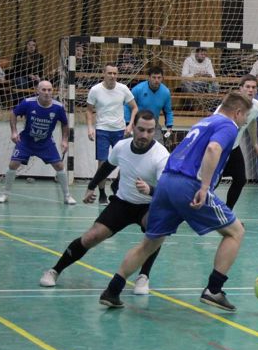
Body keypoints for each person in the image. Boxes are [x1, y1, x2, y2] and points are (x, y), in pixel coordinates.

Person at [98, 91, 252, 311]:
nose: (245, 120)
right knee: (236, 232)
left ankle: (112, 290)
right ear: (237, 112)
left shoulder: (205, 122)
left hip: (167, 182)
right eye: (245, 115)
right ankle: (214, 289)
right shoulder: (228, 125)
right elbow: (213, 148)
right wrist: (204, 187)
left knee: (149, 244)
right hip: (188, 184)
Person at [40, 110, 169, 292]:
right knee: (91, 237)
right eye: (141, 129)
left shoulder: (161, 155)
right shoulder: (121, 147)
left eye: (150, 131)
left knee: (156, 232)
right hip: (122, 203)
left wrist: (151, 190)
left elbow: (166, 190)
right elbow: (108, 166)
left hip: (148, 205)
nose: (145, 135)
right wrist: (91, 186)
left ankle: (143, 276)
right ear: (133, 127)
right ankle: (54, 271)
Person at [0, 80, 77, 205]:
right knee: (13, 164)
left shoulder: (58, 107)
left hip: (46, 142)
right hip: (26, 141)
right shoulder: (28, 103)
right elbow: (13, 113)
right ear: (37, 91)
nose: (47, 92)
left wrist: (64, 140)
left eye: (49, 90)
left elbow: (65, 124)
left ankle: (67, 196)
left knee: (59, 166)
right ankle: (5, 194)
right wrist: (14, 132)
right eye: (43, 90)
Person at [87, 63, 137, 204]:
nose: (112, 76)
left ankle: (117, 187)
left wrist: (130, 125)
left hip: (120, 131)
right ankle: (102, 192)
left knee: (124, 162)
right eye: (109, 73)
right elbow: (89, 110)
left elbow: (134, 108)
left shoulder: (123, 89)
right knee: (102, 163)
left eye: (115, 73)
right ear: (104, 73)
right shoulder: (95, 90)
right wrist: (90, 127)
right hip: (102, 130)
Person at [217, 75, 258, 209]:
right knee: (213, 182)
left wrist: (255, 143)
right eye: (247, 87)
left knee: (240, 179)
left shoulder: (257, 106)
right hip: (220, 148)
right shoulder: (226, 107)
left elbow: (252, 121)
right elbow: (214, 126)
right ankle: (196, 208)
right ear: (240, 89)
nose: (251, 90)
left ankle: (227, 211)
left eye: (253, 87)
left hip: (234, 147)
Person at [123, 66, 173, 144]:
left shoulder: (166, 92)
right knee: (133, 145)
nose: (156, 80)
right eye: (154, 77)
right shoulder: (138, 89)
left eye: (159, 78)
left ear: (162, 78)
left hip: (154, 124)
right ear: (149, 78)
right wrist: (128, 123)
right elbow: (127, 106)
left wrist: (169, 126)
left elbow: (168, 111)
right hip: (137, 123)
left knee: (159, 147)